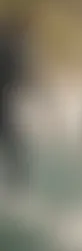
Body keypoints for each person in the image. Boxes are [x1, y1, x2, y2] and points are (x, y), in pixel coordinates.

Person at [0, 11, 35, 191]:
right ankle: (18, 178)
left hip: (5, 100)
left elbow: (21, 75)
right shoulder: (12, 47)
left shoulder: (11, 46)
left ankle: (17, 179)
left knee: (11, 139)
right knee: (11, 139)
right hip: (4, 100)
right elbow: (22, 74)